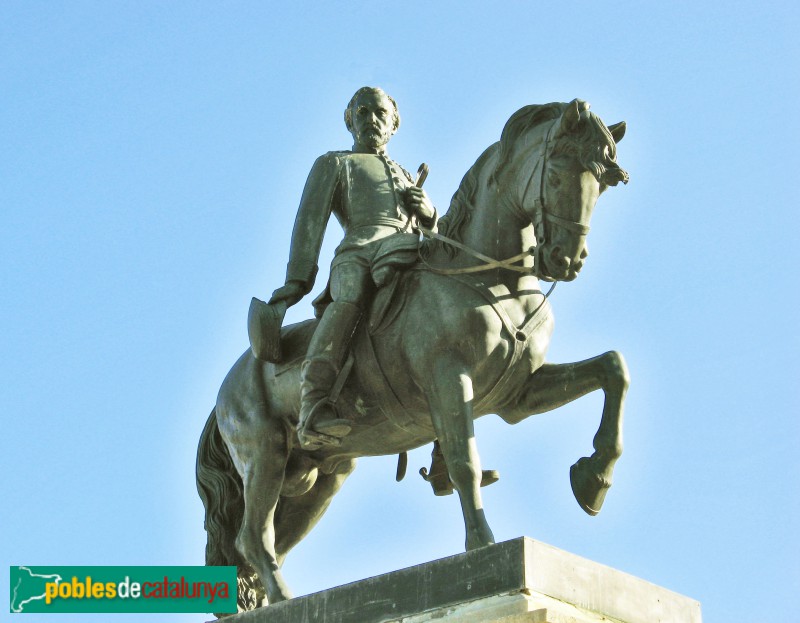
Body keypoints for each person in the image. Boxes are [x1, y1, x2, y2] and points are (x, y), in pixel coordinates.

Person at [269, 86, 437, 449]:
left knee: (444, 306)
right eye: (362, 112)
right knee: (350, 297)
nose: (371, 119)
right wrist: (295, 282)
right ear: (350, 121)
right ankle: (314, 403)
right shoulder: (335, 162)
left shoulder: (407, 174)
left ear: (394, 123)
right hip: (358, 253)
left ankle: (445, 442)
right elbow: (308, 222)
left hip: (407, 250)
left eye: (379, 113)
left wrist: (429, 214)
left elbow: (429, 232)